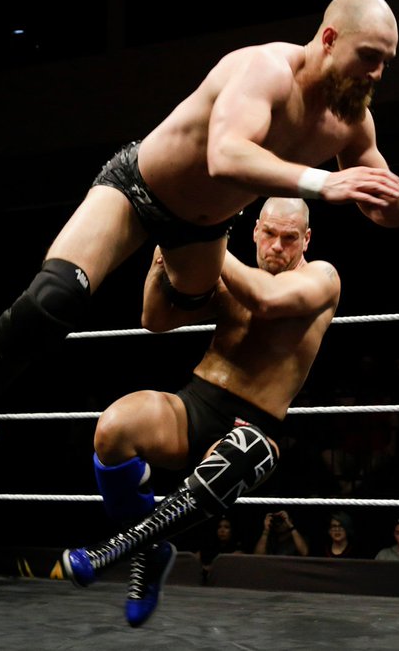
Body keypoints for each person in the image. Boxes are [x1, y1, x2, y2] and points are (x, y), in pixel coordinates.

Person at [0, 0, 399, 454]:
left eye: (386, 64)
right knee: (53, 298)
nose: (376, 74)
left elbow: (380, 204)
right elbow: (225, 155)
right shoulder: (263, 69)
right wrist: (323, 182)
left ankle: (157, 483)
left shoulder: (352, 123)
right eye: (368, 57)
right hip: (137, 189)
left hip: (203, 229)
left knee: (163, 318)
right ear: (329, 39)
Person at [58, 196, 341, 627]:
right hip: (196, 402)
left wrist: (203, 234)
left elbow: (265, 300)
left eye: (289, 238)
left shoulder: (322, 278)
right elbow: (154, 319)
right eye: (270, 234)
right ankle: (149, 552)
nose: (278, 246)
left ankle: (114, 551)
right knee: (113, 428)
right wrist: (162, 259)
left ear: (306, 239)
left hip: (254, 425)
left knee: (247, 450)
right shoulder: (230, 277)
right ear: (255, 231)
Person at [195, 516, 244, 583]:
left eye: (226, 527)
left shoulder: (237, 550)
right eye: (219, 527)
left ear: (232, 530)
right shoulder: (208, 548)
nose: (222, 530)